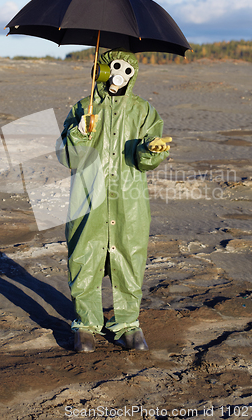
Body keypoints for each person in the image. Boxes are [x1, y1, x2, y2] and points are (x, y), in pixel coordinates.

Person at [57, 48, 171, 352]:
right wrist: (80, 132)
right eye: (114, 68)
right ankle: (86, 325)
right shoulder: (83, 107)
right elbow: (68, 157)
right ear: (102, 70)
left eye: (127, 71)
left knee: (129, 257)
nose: (119, 77)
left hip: (128, 199)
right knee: (85, 256)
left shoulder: (144, 111)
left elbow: (144, 158)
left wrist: (152, 150)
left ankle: (127, 325)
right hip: (88, 197)